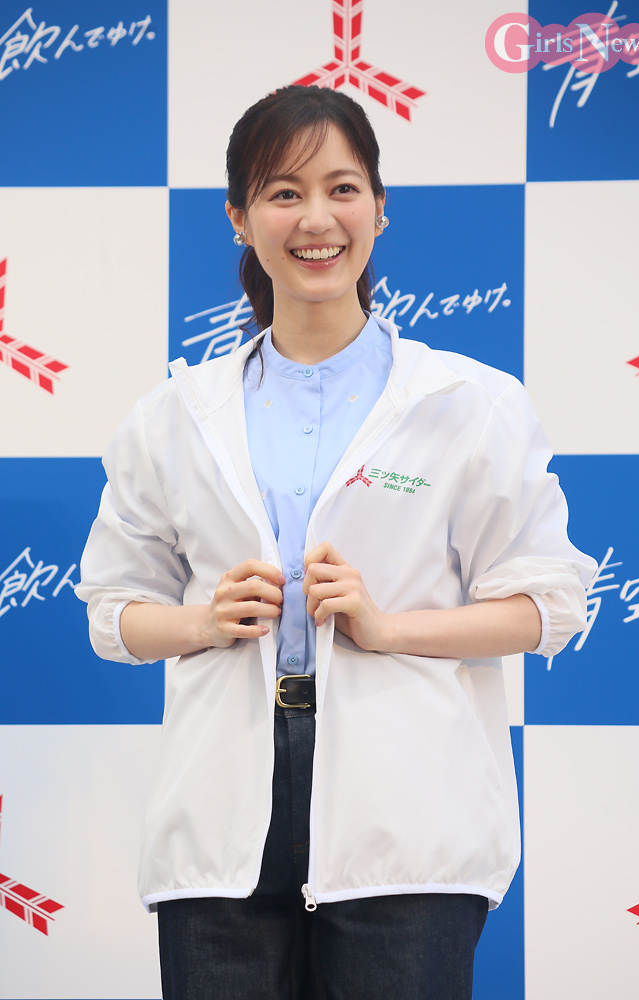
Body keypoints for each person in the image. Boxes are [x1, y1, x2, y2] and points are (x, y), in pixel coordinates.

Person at [76, 85, 596, 1000]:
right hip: (222, 809)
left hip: (407, 807)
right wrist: (203, 621)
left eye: (342, 188)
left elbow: (546, 607)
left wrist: (388, 629)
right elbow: (112, 614)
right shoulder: (172, 417)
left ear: (379, 208)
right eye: (283, 193)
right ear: (238, 218)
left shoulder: (470, 404)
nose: (315, 219)